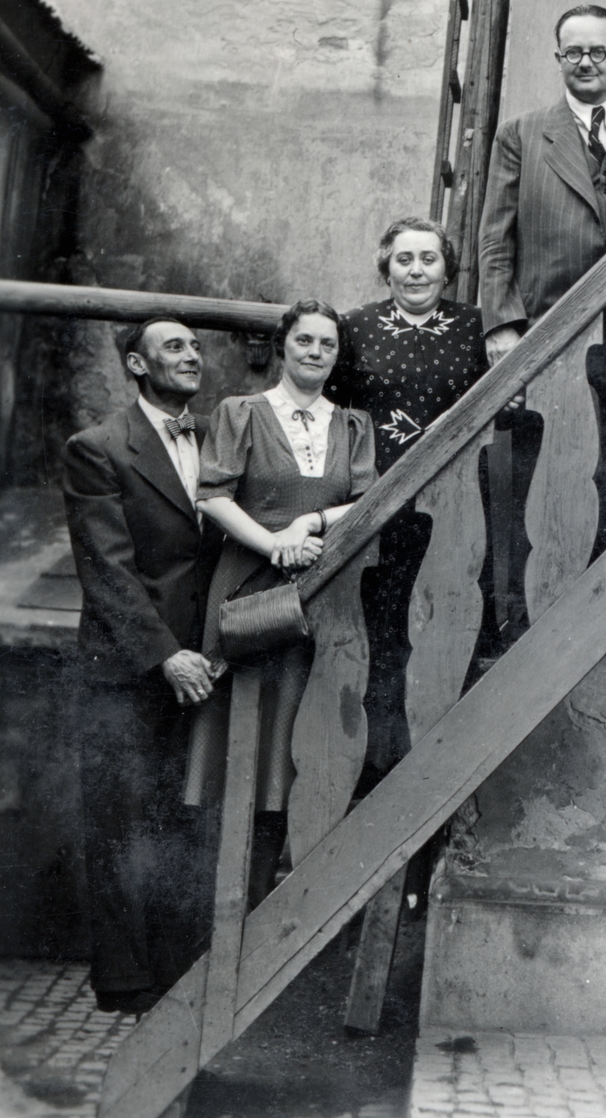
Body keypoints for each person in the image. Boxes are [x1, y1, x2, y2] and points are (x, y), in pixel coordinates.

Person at [190, 299, 376, 907]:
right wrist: (274, 543)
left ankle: (260, 904)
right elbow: (212, 495)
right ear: (283, 345)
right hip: (249, 584)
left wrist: (311, 523)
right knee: (234, 745)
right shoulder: (241, 413)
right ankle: (216, 915)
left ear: (337, 356)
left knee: (286, 745)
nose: (316, 353)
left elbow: (369, 503)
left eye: (327, 344)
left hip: (314, 597)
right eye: (305, 341)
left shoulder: (352, 426)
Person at [62, 317, 223, 1015]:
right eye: (173, 347)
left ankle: (178, 972)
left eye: (194, 345)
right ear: (136, 363)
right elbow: (107, 568)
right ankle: (124, 982)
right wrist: (165, 655)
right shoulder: (96, 449)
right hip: (129, 667)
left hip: (206, 663)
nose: (192, 356)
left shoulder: (219, 437)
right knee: (121, 820)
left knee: (182, 816)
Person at [478, 4, 606, 556]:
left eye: (598, 51)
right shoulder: (521, 135)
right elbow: (496, 239)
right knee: (552, 460)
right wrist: (502, 327)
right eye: (574, 52)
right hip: (552, 330)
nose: (586, 62)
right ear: (558, 57)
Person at [327, 217, 489, 782]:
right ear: (385, 267)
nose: (416, 270)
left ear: (447, 268)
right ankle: (374, 769)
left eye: (428, 259)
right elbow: (334, 417)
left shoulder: (475, 328)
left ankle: (436, 767)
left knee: (445, 623)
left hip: (456, 506)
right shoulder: (355, 329)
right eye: (404, 259)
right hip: (378, 508)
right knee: (382, 629)